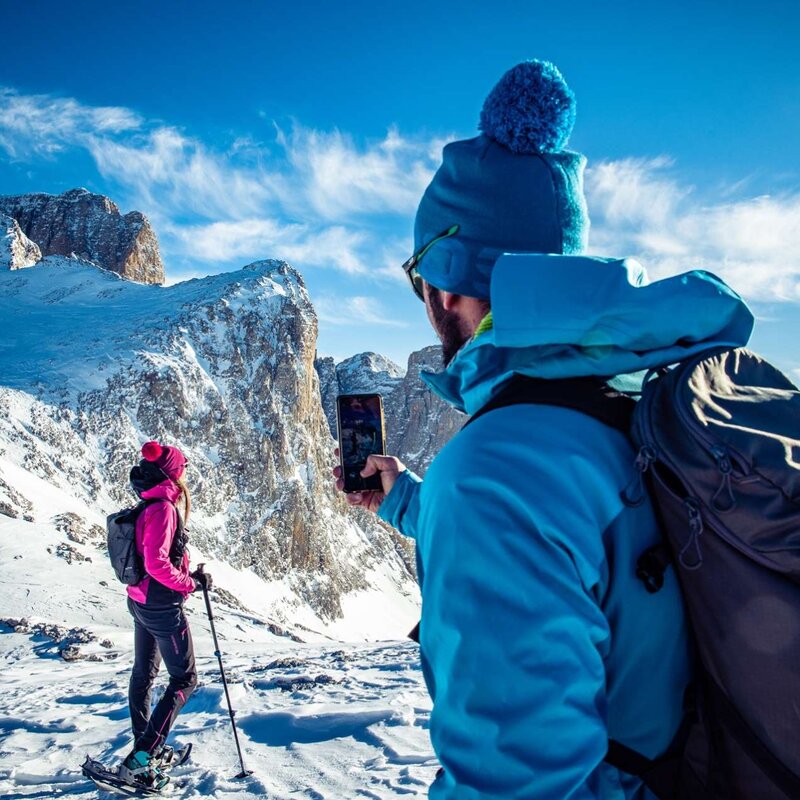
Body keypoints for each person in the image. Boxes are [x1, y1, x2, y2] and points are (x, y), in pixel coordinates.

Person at [334, 61, 754, 798]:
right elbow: (570, 532)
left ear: (446, 283)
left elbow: (515, 784)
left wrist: (456, 498)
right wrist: (407, 500)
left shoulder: (494, 473)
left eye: (418, 277)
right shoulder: (629, 395)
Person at [120, 441, 212, 789]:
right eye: (182, 466)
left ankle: (145, 747)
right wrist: (188, 584)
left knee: (144, 673)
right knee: (185, 680)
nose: (185, 471)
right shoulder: (163, 508)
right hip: (160, 605)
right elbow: (157, 561)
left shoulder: (149, 500)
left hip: (140, 600)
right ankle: (142, 758)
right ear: (174, 472)